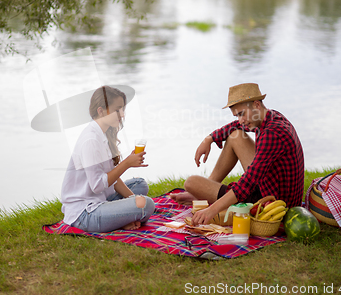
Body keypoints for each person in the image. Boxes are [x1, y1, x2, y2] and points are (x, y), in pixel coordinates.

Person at [170, 83, 304, 226]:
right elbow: (236, 126)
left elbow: (247, 184)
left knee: (191, 183)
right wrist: (209, 139)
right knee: (236, 136)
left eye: (241, 114)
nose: (240, 120)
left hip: (273, 205)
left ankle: (205, 194)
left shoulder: (271, 135)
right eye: (237, 115)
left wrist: (211, 210)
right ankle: (205, 193)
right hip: (273, 185)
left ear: (257, 105)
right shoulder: (271, 117)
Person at [61, 86, 155, 232]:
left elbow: (114, 179)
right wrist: (126, 164)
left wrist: (132, 200)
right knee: (146, 204)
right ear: (101, 111)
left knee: (140, 184)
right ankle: (121, 218)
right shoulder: (91, 140)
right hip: (85, 213)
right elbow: (97, 185)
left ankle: (120, 216)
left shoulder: (102, 134)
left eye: (123, 109)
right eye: (117, 110)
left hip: (100, 199)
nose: (122, 115)